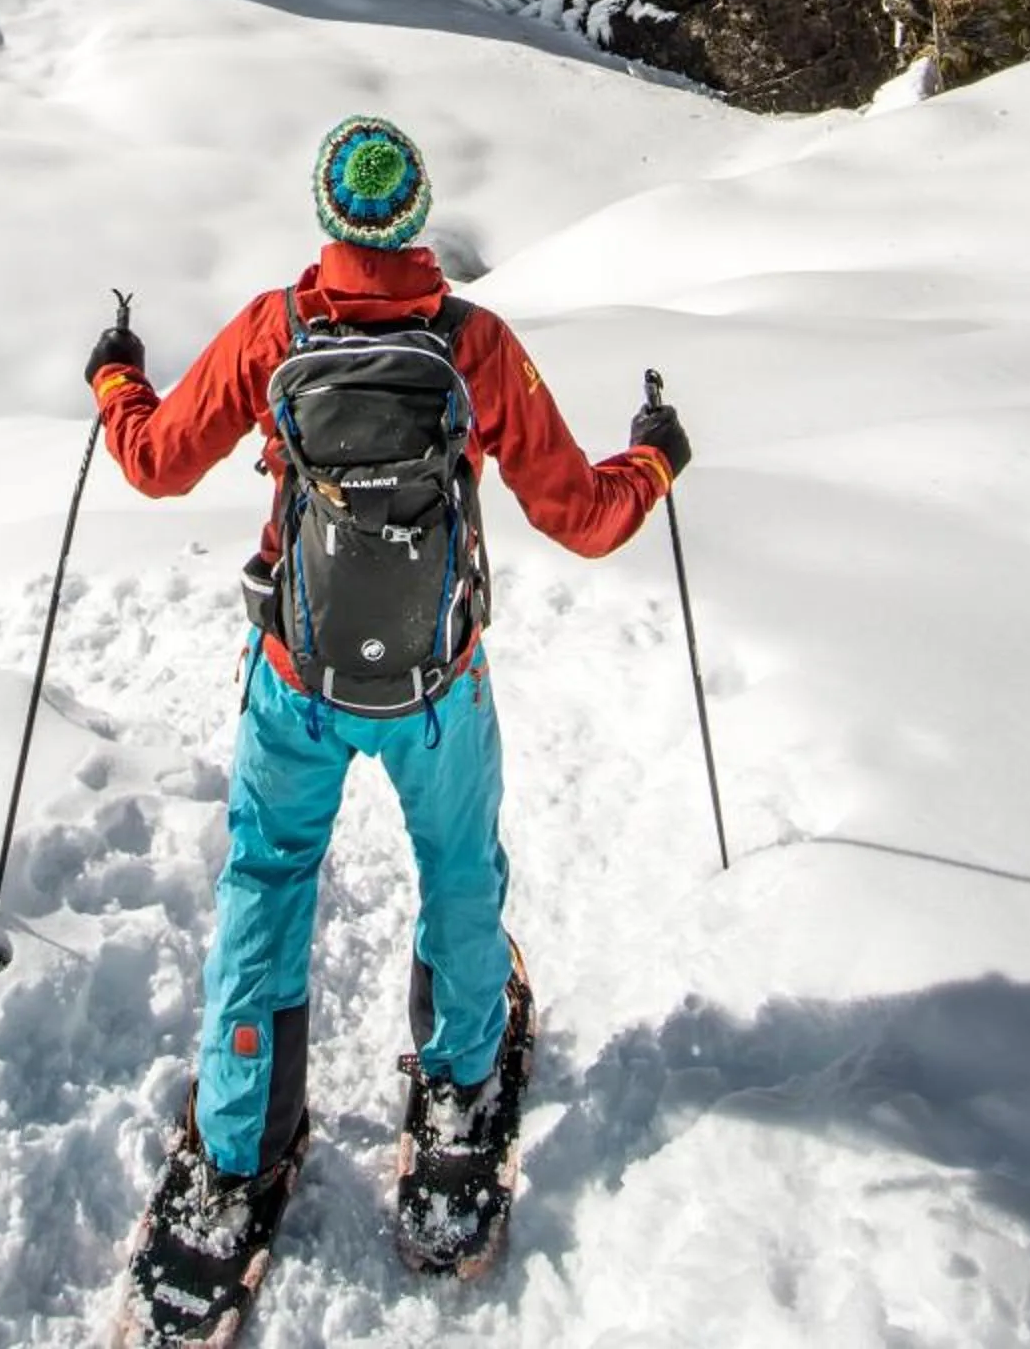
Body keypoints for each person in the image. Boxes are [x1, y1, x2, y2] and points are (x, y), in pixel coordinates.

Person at [85, 112, 689, 1203]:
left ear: (329, 214)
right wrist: (650, 460)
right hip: (437, 684)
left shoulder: (273, 331)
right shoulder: (474, 345)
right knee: (458, 871)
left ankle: (240, 1140)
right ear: (414, 219)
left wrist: (116, 382)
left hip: (297, 674)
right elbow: (585, 518)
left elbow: (157, 465)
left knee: (268, 879)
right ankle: (459, 1091)